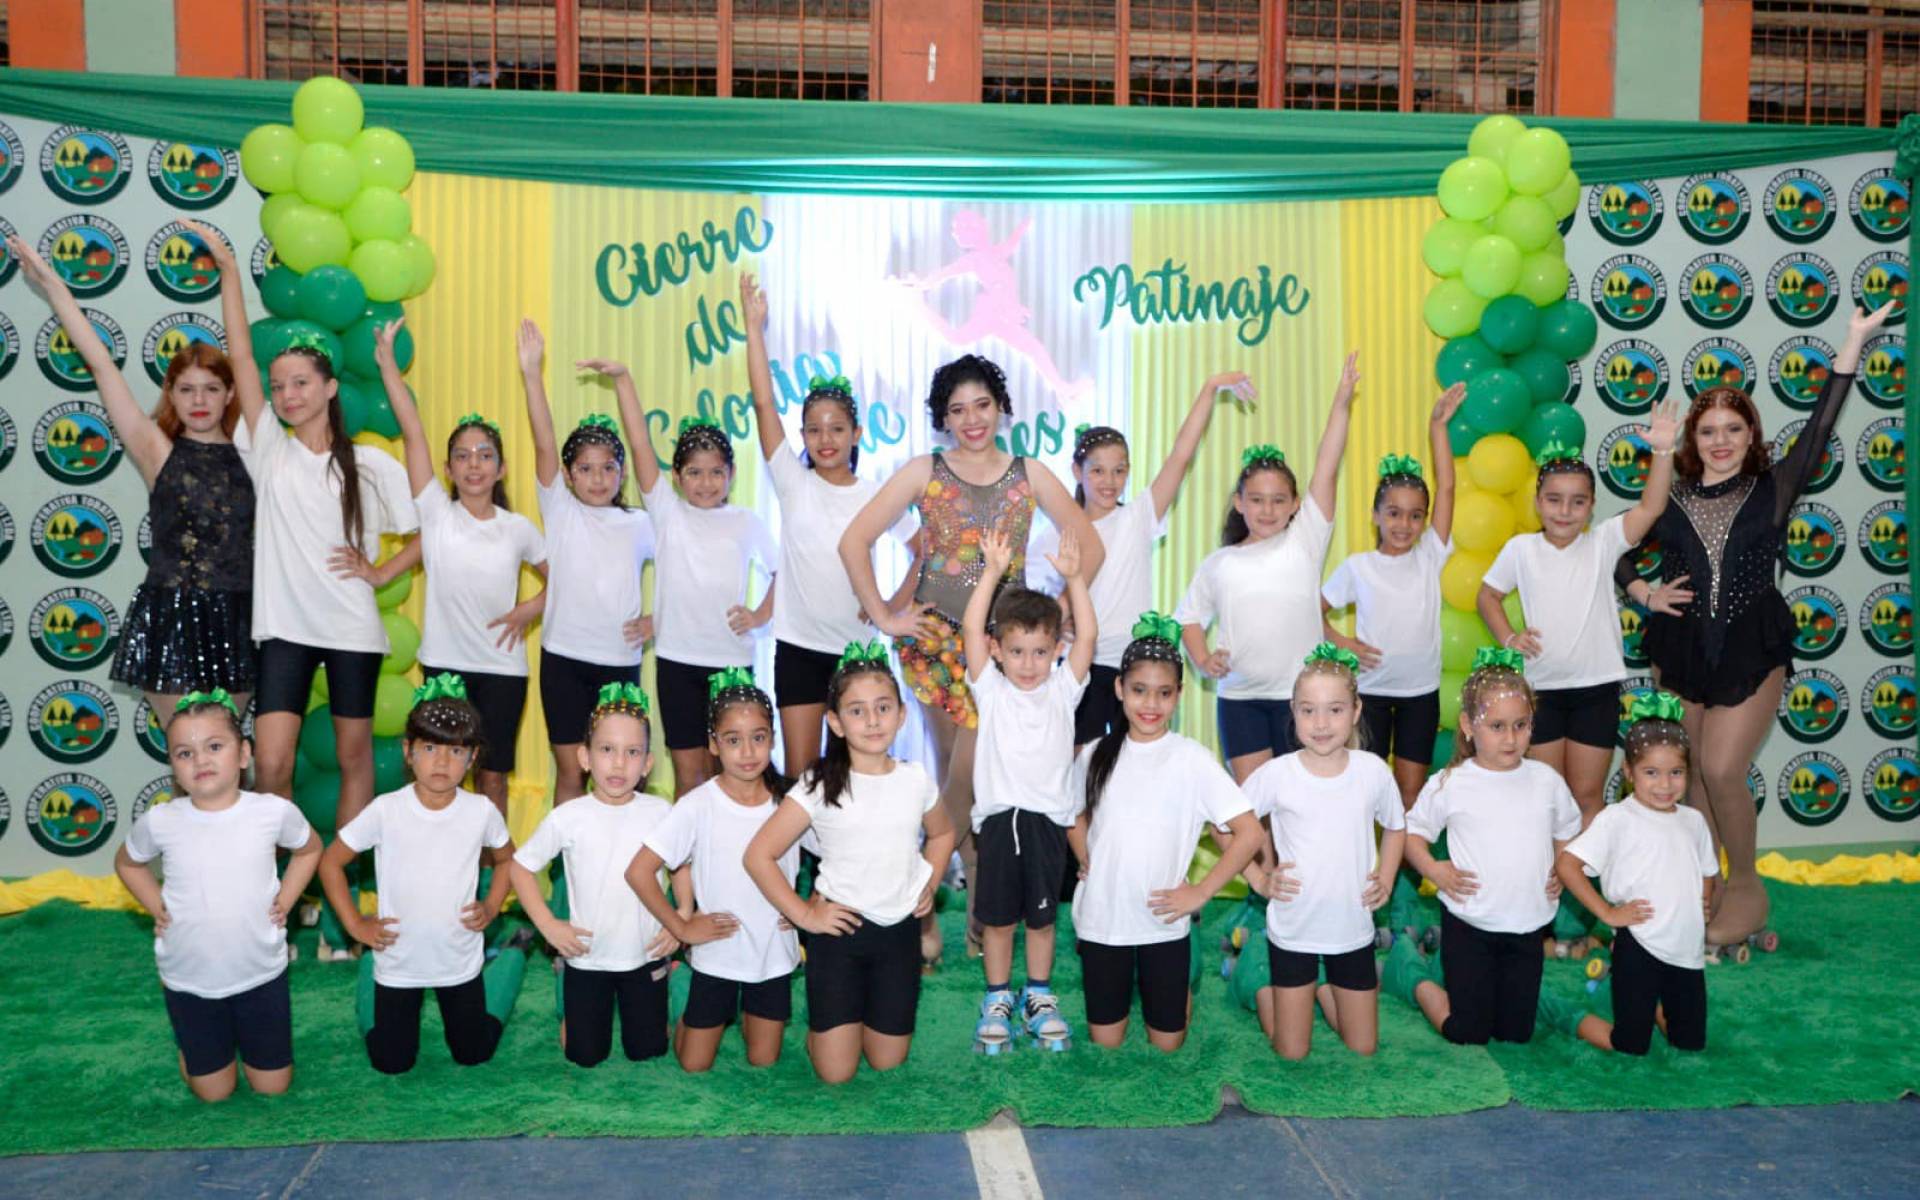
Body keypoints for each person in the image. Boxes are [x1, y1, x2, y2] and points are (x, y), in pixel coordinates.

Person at [1617, 303, 1896, 945]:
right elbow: (1617, 549)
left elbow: (1822, 423)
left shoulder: (1774, 487)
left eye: (1733, 429)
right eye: (1708, 430)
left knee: (1720, 770)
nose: (1720, 440)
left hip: (1751, 645)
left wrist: (1853, 341)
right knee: (1689, 778)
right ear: (1692, 440)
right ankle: (1704, 885)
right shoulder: (1670, 498)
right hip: (1680, 651)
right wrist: (1643, 591)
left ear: (1751, 435)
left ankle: (1745, 883)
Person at [838, 354, 1102, 966]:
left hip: (1003, 655)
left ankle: (926, 904)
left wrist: (1058, 613)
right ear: (943, 419)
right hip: (935, 647)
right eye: (957, 410)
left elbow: (1088, 545)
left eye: (982, 405)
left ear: (1001, 407)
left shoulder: (1029, 474)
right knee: (962, 778)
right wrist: (885, 616)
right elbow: (854, 540)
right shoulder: (923, 471)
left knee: (968, 782)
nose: (972, 419)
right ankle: (964, 914)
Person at [9, 226, 257, 722]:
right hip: (171, 615)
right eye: (186, 390)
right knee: (185, 753)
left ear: (230, 394)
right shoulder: (154, 449)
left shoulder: (256, 450)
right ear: (171, 395)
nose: (199, 400)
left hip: (239, 616)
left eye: (211, 388)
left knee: (229, 749)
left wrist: (229, 270)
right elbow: (102, 365)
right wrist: (53, 287)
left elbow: (244, 355)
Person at [335, 319, 545, 818]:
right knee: (441, 775)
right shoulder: (436, 513)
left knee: (492, 778)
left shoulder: (518, 528)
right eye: (462, 456)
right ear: (447, 470)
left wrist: (528, 610)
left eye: (485, 455)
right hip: (445, 665)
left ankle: (491, 865)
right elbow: (412, 431)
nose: (474, 464)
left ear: (501, 468)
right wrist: (387, 365)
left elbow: (563, 581)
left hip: (502, 670)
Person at [743, 643, 957, 1084]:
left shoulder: (915, 779)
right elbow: (758, 855)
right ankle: (824, 1034)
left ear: (902, 714)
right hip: (839, 934)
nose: (873, 720)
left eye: (883, 707)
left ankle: (855, 1022)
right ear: (836, 722)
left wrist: (929, 882)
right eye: (857, 711)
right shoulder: (818, 784)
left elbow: (943, 834)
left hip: (898, 935)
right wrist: (805, 916)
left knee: (886, 1063)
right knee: (836, 1074)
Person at [740, 273, 917, 778]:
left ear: (856, 433)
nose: (826, 439)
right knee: (801, 775)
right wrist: (755, 329)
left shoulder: (876, 495)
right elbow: (763, 404)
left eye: (837, 428)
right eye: (814, 430)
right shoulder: (792, 481)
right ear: (802, 435)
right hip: (797, 647)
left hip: (855, 651)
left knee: (855, 773)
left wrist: (888, 607)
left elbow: (924, 550)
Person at [242, 328, 417, 836]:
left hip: (350, 629)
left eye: (300, 383)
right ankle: (278, 872)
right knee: (271, 763)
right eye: (278, 386)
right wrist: (228, 280)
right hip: (284, 629)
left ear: (331, 387)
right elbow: (242, 354)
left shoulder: (370, 464)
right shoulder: (269, 449)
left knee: (353, 757)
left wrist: (381, 573)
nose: (288, 395)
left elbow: (429, 532)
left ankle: (343, 871)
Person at [1478, 398, 1681, 822]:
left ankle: (1586, 865)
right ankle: (1551, 866)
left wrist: (1663, 450)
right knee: (1548, 798)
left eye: (1577, 502)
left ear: (1591, 506)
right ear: (1538, 502)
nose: (1564, 511)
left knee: (1587, 796)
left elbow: (1651, 507)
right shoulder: (1521, 549)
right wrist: (1509, 638)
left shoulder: (1604, 542)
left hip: (1596, 689)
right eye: (1554, 500)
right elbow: (1487, 596)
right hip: (1542, 690)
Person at [1027, 371, 1256, 747]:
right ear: (1077, 472)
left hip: (1132, 663)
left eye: (1119, 471)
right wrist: (1056, 622)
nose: (1109, 480)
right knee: (1076, 754)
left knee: (1132, 754)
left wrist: (1210, 388)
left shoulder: (1137, 517)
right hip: (1083, 663)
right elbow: (1032, 601)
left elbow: (1181, 456)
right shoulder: (1055, 534)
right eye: (1097, 470)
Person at [114, 691, 320, 1102]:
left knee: (273, 1087)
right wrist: (157, 907)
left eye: (214, 747)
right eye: (185, 753)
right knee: (214, 1094)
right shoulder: (161, 820)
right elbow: (127, 863)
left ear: (243, 754)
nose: (200, 760)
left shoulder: (272, 811)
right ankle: (193, 1053)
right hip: (190, 979)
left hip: (260, 974)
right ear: (173, 766)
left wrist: (285, 899)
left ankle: (241, 1049)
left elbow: (310, 849)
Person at [1067, 613, 1261, 1051]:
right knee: (1106, 1045)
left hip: (1165, 923)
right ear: (1119, 689)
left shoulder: (1192, 759)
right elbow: (1072, 813)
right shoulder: (1095, 754)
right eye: (1139, 690)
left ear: (1179, 695)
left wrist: (1201, 892)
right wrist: (1085, 856)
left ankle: (1180, 995)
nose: (1150, 704)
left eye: (1163, 692)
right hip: (1103, 922)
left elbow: (1249, 833)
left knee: (1168, 1047)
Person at [318, 676, 526, 1074]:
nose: (442, 762)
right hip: (398, 961)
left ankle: (513, 955)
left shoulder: (480, 810)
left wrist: (492, 905)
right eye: (430, 748)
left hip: (458, 958)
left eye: (455, 750)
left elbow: (508, 860)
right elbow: (330, 862)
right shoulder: (386, 809)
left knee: (474, 1053)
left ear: (472, 757)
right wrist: (356, 925)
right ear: (408, 751)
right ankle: (368, 974)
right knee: (391, 1062)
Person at [1384, 648, 1583, 1046]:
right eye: (1497, 726)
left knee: (1515, 1035)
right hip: (1469, 923)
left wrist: (1562, 867)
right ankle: (1414, 978)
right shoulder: (1452, 782)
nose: (1510, 738)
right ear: (1468, 725)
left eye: (1521, 725)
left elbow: (1568, 829)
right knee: (1468, 1032)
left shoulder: (1546, 780)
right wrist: (1433, 869)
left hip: (1528, 925)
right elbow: (1411, 834)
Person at [1177, 353, 1360, 783]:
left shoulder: (1305, 540)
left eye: (1279, 500)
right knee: (1255, 805)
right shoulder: (1220, 563)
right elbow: (1188, 618)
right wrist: (1202, 659)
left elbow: (1327, 467)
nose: (1267, 509)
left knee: (1305, 801)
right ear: (1239, 503)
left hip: (1303, 700)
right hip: (1240, 701)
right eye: (1256, 500)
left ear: (1296, 504)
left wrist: (1342, 402)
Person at [600, 357, 776, 797]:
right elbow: (639, 443)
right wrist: (623, 379)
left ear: (731, 474)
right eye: (694, 472)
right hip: (677, 661)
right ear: (676, 477)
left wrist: (759, 615)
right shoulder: (667, 512)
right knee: (690, 776)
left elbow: (783, 573)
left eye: (716, 472)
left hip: (730, 662)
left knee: (731, 775)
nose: (706, 482)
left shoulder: (746, 521)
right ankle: (687, 848)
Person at [1236, 644, 1406, 1059]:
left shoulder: (1373, 772)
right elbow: (1227, 826)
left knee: (1362, 1048)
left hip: (1352, 928)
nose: (1321, 723)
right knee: (1291, 1052)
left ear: (1356, 710)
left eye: (1335, 710)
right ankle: (1264, 992)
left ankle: (1321, 990)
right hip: (1294, 928)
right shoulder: (1277, 774)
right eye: (1308, 710)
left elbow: (1396, 827)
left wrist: (1386, 878)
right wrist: (1259, 878)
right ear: (1293, 712)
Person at [961, 528, 1094, 1054]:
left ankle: (1038, 994)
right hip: (999, 822)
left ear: (1056, 650)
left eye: (1040, 651)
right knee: (997, 921)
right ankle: (997, 997)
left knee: (1041, 919)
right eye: (1016, 651)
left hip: (1046, 824)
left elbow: (1087, 637)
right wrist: (992, 572)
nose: (1029, 663)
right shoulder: (991, 690)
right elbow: (971, 628)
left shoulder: (1063, 690)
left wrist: (1074, 579)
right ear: (997, 651)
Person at [629, 669, 800, 1072]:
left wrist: (808, 908)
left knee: (763, 1061)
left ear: (773, 739)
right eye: (733, 740)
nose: (748, 751)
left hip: (773, 952)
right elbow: (639, 871)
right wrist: (682, 927)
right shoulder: (697, 804)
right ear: (713, 744)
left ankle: (747, 1017)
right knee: (694, 1065)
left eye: (758, 737)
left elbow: (836, 851)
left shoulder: (791, 802)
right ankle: (682, 990)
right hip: (716, 950)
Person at [518, 320, 656, 807]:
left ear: (622, 472)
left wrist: (658, 619)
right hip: (563, 660)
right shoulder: (561, 511)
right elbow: (543, 442)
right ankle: (566, 859)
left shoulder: (641, 523)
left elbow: (690, 570)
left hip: (618, 663)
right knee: (571, 774)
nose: (597, 478)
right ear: (569, 475)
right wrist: (531, 372)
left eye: (608, 468)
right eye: (585, 469)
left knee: (623, 777)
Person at [507, 683, 678, 1068]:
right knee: (583, 1056)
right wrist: (549, 925)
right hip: (587, 958)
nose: (619, 764)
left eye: (632, 752)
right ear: (584, 757)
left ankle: (674, 980)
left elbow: (682, 865)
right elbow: (520, 867)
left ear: (647, 763)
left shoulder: (661, 812)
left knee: (648, 1052)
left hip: (646, 954)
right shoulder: (568, 817)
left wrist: (680, 916)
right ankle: (569, 1003)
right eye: (606, 750)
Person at [1320, 384, 1466, 808]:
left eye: (1415, 515)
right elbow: (1311, 610)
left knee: (1409, 792)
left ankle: (1401, 854)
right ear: (1376, 515)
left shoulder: (1430, 555)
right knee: (1364, 792)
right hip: (1372, 693)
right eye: (1394, 513)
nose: (1404, 524)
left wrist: (1437, 426)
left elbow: (1448, 487)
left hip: (1420, 694)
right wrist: (1343, 643)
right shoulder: (1359, 566)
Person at [1557, 692, 1718, 1055]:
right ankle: (1570, 1018)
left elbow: (1707, 870)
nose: (1665, 785)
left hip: (1686, 949)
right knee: (1630, 1045)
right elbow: (1567, 865)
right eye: (1651, 773)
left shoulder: (1693, 821)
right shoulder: (1617, 819)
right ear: (1629, 773)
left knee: (1690, 1045)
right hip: (1638, 944)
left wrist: (1703, 901)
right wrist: (1607, 913)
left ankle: (1658, 1011)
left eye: (1675, 772)